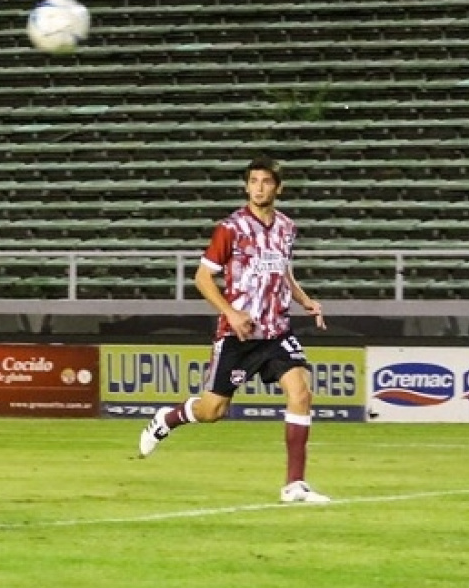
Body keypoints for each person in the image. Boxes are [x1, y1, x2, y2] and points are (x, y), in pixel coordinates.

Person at [138, 155, 330, 504]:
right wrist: (232, 312)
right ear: (246, 186)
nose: (259, 188)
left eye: (266, 182)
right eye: (254, 181)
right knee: (213, 411)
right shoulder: (231, 228)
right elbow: (201, 277)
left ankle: (294, 485)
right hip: (238, 335)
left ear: (278, 187)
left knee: (301, 392)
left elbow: (283, 271)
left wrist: (304, 300)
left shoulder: (287, 227)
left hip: (276, 331)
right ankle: (169, 417)